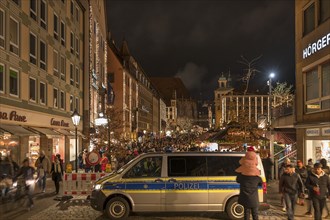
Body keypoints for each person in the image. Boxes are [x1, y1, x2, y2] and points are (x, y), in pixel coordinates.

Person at [235, 147, 262, 220]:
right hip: (254, 200)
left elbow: (237, 180)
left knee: (246, 214)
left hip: (245, 199)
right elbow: (261, 184)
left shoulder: (241, 177)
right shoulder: (257, 178)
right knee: (255, 214)